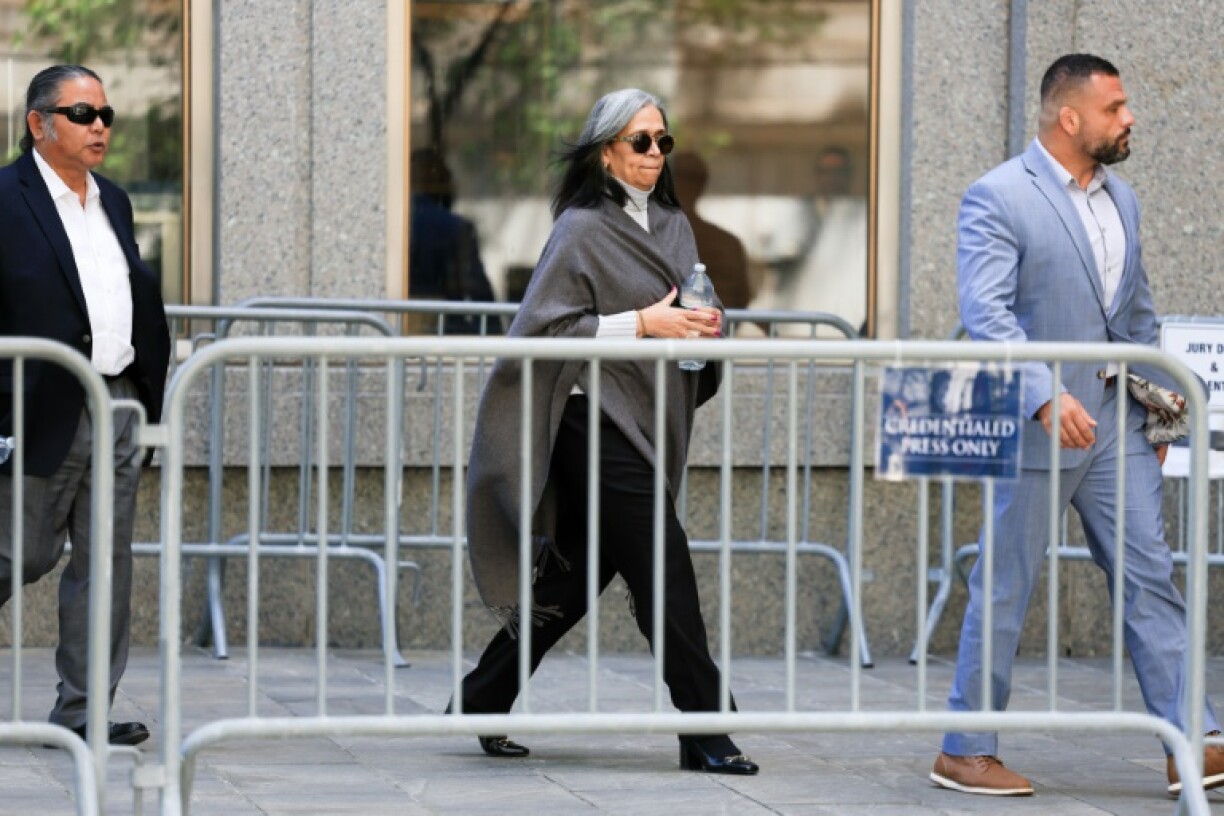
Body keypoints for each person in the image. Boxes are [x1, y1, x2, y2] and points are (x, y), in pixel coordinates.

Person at [930, 53, 1223, 798]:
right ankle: (965, 750)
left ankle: (1195, 740)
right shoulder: (997, 196)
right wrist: (1039, 395)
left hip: (1117, 426)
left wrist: (1155, 422)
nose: (1129, 119)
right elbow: (986, 313)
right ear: (1071, 117)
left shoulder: (1121, 200)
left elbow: (1136, 315)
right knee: (1005, 583)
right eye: (1116, 107)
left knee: (1150, 575)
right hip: (1036, 424)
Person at [454, 88, 757, 775]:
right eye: (639, 141)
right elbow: (544, 329)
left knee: (576, 576)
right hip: (586, 417)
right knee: (663, 563)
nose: (655, 153)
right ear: (605, 152)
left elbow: (688, 307)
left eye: (662, 140)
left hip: (645, 419)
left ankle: (482, 694)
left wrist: (706, 327)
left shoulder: (675, 227)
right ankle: (705, 726)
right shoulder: (581, 228)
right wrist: (645, 325)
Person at [0, 65, 170, 746]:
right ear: (39, 123)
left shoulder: (115, 201)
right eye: (81, 113)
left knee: (106, 562)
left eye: (105, 114)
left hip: (118, 402)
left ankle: (83, 714)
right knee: (20, 555)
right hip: (37, 404)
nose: (99, 126)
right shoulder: (5, 199)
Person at [409, 147, 497, 334]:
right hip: (445, 333)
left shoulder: (397, 224)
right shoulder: (455, 228)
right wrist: (495, 336)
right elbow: (478, 291)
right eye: (448, 179)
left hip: (404, 333)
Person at [670, 151, 751, 309]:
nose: (685, 186)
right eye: (682, 178)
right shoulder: (728, 243)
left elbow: (741, 301)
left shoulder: (728, 244)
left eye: (689, 179)